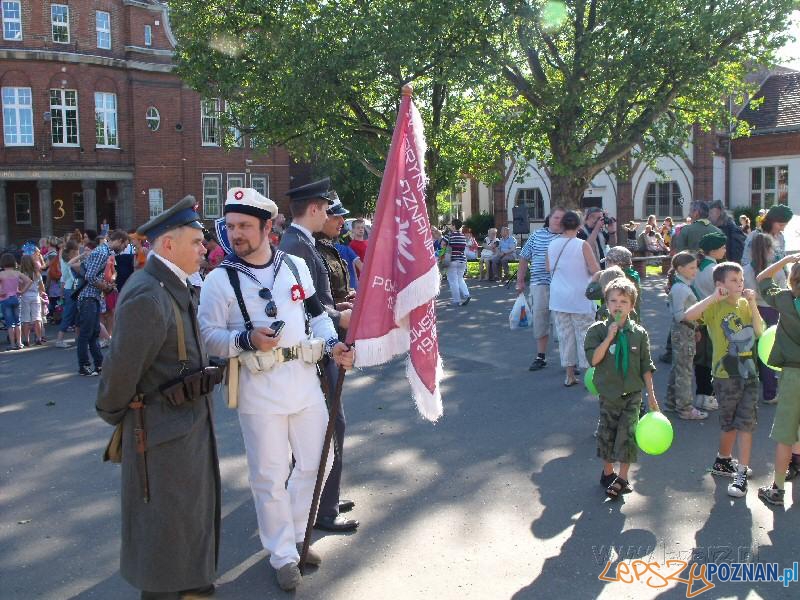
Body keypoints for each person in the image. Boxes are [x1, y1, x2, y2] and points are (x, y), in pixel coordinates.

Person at [199, 186, 354, 591]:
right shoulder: (219, 280)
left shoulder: (295, 267)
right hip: (258, 386)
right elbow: (208, 336)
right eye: (231, 226)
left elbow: (316, 315)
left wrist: (333, 344)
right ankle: (283, 555)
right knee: (268, 474)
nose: (236, 234)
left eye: (245, 226)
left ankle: (299, 534)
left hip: (304, 381)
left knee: (317, 458)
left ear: (268, 227)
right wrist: (246, 339)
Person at [96, 195, 221, 600]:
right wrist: (115, 414)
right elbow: (119, 374)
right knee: (163, 527)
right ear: (168, 245)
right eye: (197, 242)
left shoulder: (170, 285)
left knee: (188, 515)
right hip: (160, 433)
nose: (204, 249)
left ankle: (192, 582)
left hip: (184, 427)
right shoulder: (151, 294)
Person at [684, 262, 764, 498]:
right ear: (720, 285)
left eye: (741, 280)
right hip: (724, 377)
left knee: (746, 424)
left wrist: (752, 303)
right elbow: (689, 316)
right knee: (728, 425)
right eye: (734, 280)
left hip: (749, 374)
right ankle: (723, 460)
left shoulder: (745, 304)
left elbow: (760, 331)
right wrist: (712, 297)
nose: (740, 284)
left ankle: (740, 473)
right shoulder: (715, 306)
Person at [312, 194, 361, 532]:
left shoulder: (330, 248)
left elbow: (331, 294)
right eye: (336, 216)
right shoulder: (311, 250)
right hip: (323, 342)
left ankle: (326, 496)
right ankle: (323, 507)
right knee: (330, 426)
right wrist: (340, 310)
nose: (341, 221)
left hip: (335, 335)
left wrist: (348, 301)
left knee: (333, 425)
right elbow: (313, 304)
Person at [584, 277, 659, 498]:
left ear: (631, 306)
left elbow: (646, 366)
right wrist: (609, 337)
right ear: (606, 304)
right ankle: (608, 473)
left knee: (628, 435)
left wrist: (652, 397)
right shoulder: (597, 331)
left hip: (633, 395)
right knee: (607, 434)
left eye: (623, 301)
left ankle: (623, 477)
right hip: (609, 394)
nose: (618, 305)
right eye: (613, 300)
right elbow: (594, 360)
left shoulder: (639, 333)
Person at [756, 253, 800, 506]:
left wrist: (786, 261)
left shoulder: (785, 300)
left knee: (785, 434)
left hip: (793, 374)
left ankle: (778, 488)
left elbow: (762, 278)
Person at [547, 210, 600, 386]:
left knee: (565, 337)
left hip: (559, 298)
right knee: (585, 335)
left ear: (562, 225)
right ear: (579, 226)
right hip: (580, 297)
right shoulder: (582, 245)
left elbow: (548, 268)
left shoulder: (552, 244)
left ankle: (569, 375)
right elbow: (595, 270)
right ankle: (589, 375)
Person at [75, 229, 130, 376]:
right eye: (124, 245)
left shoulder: (104, 252)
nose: (124, 248)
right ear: (119, 240)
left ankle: (99, 364)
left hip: (93, 297)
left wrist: (107, 285)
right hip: (88, 297)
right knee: (86, 334)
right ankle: (84, 365)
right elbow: (90, 276)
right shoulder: (102, 253)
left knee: (94, 333)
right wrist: (106, 287)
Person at [517, 207, 565, 371]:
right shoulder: (537, 235)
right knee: (540, 320)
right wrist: (520, 280)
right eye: (556, 217)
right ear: (549, 219)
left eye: (562, 218)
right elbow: (523, 257)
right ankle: (541, 356)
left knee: (562, 322)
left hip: (562, 285)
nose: (559, 221)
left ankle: (568, 359)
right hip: (539, 284)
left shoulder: (567, 236)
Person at [664, 251, 707, 419]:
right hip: (683, 331)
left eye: (695, 267)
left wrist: (695, 329)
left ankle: (671, 402)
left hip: (685, 330)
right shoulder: (680, 288)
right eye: (691, 268)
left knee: (678, 367)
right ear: (680, 269)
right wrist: (693, 325)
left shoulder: (682, 286)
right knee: (685, 370)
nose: (695, 271)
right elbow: (680, 316)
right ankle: (685, 408)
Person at [743, 232, 785, 405]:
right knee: (768, 351)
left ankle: (747, 391)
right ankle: (769, 392)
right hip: (771, 311)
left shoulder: (745, 270)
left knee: (749, 350)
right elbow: (782, 293)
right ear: (769, 250)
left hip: (750, 310)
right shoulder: (777, 271)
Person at [691, 231, 728, 412]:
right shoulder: (714, 271)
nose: (724, 250)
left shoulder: (698, 267)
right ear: (713, 251)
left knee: (701, 359)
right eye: (722, 247)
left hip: (698, 316)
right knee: (710, 358)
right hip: (710, 318)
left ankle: (701, 395)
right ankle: (707, 396)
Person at [585, 246, 641, 322]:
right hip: (631, 318)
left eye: (608, 262)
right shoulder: (633, 275)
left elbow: (590, 294)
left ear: (614, 263)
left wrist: (595, 279)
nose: (607, 264)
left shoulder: (612, 277)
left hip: (614, 320)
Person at [0, 253, 32, 350]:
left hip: (5, 299)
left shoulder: (1, 274)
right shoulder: (17, 273)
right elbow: (29, 281)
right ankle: (20, 342)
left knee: (10, 324)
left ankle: (13, 344)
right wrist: (22, 291)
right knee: (17, 322)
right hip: (16, 298)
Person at [55, 241, 80, 348]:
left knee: (75, 313)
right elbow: (66, 277)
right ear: (73, 251)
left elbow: (63, 278)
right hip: (72, 289)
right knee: (70, 314)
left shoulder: (63, 260)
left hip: (69, 288)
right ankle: (59, 340)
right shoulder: (70, 262)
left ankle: (77, 338)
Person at [441, 219, 471, 306]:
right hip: (462, 260)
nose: (450, 226)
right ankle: (466, 294)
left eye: (451, 224)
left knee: (452, 280)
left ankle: (456, 300)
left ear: (454, 225)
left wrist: (442, 255)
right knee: (460, 278)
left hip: (452, 260)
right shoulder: (463, 236)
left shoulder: (449, 236)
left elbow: (442, 245)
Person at [708, 200, 746, 264]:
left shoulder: (733, 230)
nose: (709, 216)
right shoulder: (714, 228)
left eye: (711, 213)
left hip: (728, 269)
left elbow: (736, 257)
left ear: (718, 212)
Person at [19, 255, 45, 346]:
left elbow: (20, 287)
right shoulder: (37, 273)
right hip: (35, 296)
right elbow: (42, 288)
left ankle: (27, 340)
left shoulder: (21, 275)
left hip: (24, 297)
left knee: (25, 319)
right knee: (37, 318)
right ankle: (38, 338)